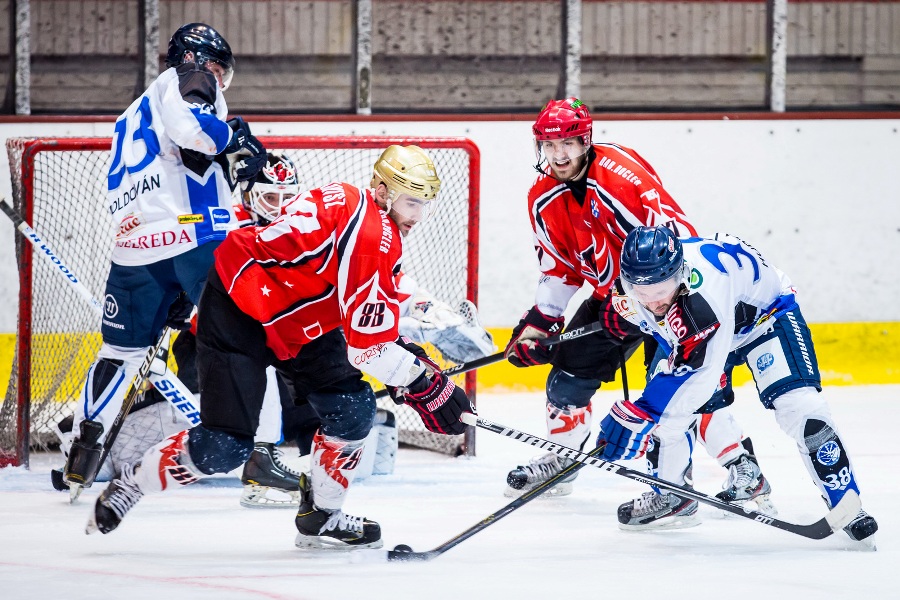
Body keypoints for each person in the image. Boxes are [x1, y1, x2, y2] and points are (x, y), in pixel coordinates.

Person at [86, 145, 475, 551]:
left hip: (296, 317)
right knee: (224, 445)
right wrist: (425, 384)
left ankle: (322, 518)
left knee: (351, 409)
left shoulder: (359, 209)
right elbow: (367, 348)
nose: (417, 215)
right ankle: (132, 482)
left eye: (423, 204)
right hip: (239, 309)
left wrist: (412, 364)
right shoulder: (372, 234)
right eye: (411, 202)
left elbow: (370, 313)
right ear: (381, 190)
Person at [503, 98, 768, 507]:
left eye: (568, 143)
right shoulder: (541, 196)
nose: (559, 155)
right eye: (550, 145)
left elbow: (679, 240)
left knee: (677, 386)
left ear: (585, 141)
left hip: (665, 298)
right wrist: (540, 322)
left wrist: (635, 300)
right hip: (608, 301)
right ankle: (563, 460)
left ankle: (741, 467)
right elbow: (560, 268)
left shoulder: (619, 176)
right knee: (567, 377)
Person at [62, 23, 266, 496]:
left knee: (121, 354)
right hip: (194, 233)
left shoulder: (132, 111)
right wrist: (234, 139)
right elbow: (193, 129)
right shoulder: (190, 78)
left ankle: (85, 445)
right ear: (196, 58)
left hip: (135, 245)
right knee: (255, 331)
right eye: (217, 68)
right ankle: (263, 456)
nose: (218, 78)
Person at [595, 225, 878, 544]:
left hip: (766, 319)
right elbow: (649, 315)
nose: (653, 301)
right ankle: (671, 496)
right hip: (705, 332)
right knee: (669, 419)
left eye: (662, 289)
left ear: (680, 273)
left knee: (802, 408)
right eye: (641, 291)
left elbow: (699, 376)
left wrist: (642, 413)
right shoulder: (632, 291)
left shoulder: (705, 296)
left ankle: (846, 504)